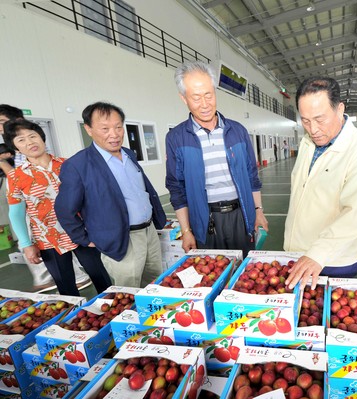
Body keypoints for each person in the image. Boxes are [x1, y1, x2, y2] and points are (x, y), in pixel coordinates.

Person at [55, 102, 166, 288]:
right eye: (105, 129)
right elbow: (64, 209)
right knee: (128, 290)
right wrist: (83, 238)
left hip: (149, 232)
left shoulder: (129, 154)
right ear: (88, 129)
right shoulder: (77, 165)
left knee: (155, 281)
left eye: (118, 127)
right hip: (120, 239)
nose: (114, 134)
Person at [283, 76, 357, 289]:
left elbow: (354, 216)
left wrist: (317, 254)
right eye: (305, 121)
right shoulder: (308, 142)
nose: (313, 129)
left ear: (339, 108)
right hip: (299, 253)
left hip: (333, 259)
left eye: (319, 119)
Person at [166, 61, 268, 257]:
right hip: (205, 221)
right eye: (196, 98)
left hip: (241, 216)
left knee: (244, 275)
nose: (204, 104)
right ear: (183, 98)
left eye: (209, 95)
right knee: (213, 275)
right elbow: (176, 188)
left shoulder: (237, 131)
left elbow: (252, 176)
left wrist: (258, 211)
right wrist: (187, 231)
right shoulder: (176, 138)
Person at [3, 120, 111, 296]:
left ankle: (114, 309)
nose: (30, 142)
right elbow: (16, 214)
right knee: (65, 285)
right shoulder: (15, 176)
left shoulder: (68, 164)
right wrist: (26, 244)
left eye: (33, 136)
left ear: (42, 138)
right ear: (15, 149)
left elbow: (91, 198)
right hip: (47, 238)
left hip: (81, 231)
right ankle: (74, 318)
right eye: (21, 140)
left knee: (100, 275)